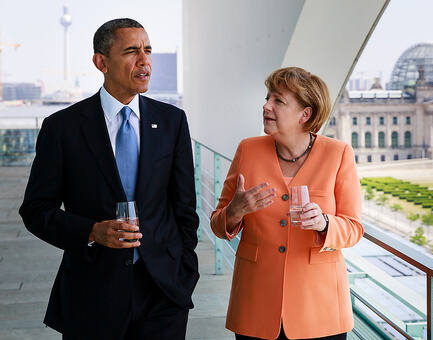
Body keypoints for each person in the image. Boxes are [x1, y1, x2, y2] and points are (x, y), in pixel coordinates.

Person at [19, 18, 199, 339]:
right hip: (92, 291)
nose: (144, 61)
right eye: (131, 51)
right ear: (101, 62)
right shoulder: (62, 128)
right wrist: (90, 231)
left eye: (148, 50)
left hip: (164, 290)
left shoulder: (172, 121)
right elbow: (35, 209)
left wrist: (184, 270)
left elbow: (184, 207)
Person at [211, 67, 363, 340]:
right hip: (255, 304)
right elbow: (218, 224)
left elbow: (353, 228)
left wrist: (324, 223)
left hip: (320, 308)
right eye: (268, 97)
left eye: (278, 101)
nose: (266, 106)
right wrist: (235, 211)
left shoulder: (338, 154)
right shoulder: (248, 149)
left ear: (305, 114)